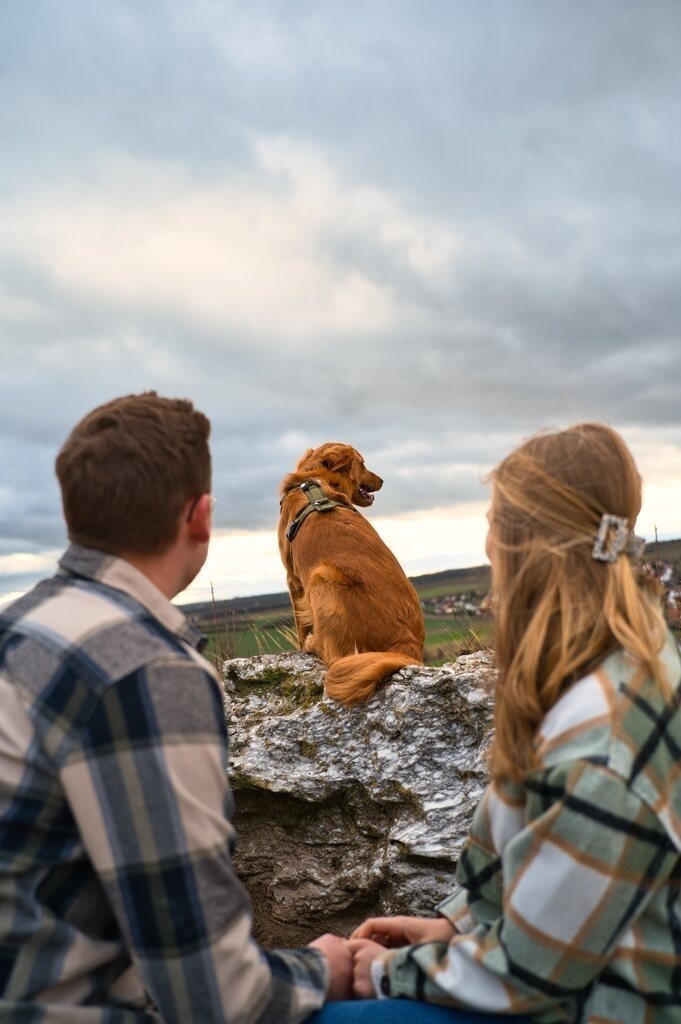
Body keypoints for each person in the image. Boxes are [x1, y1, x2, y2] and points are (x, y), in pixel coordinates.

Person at [0, 392, 352, 1022]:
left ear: (73, 512)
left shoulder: (18, 630)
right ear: (200, 517)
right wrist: (328, 965)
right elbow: (217, 997)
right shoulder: (147, 670)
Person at [312, 423, 681, 1024]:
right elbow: (543, 878)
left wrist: (374, 972)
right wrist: (450, 925)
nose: (488, 556)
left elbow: (530, 975)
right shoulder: (615, 664)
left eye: (494, 531)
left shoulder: (602, 746)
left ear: (523, 555)